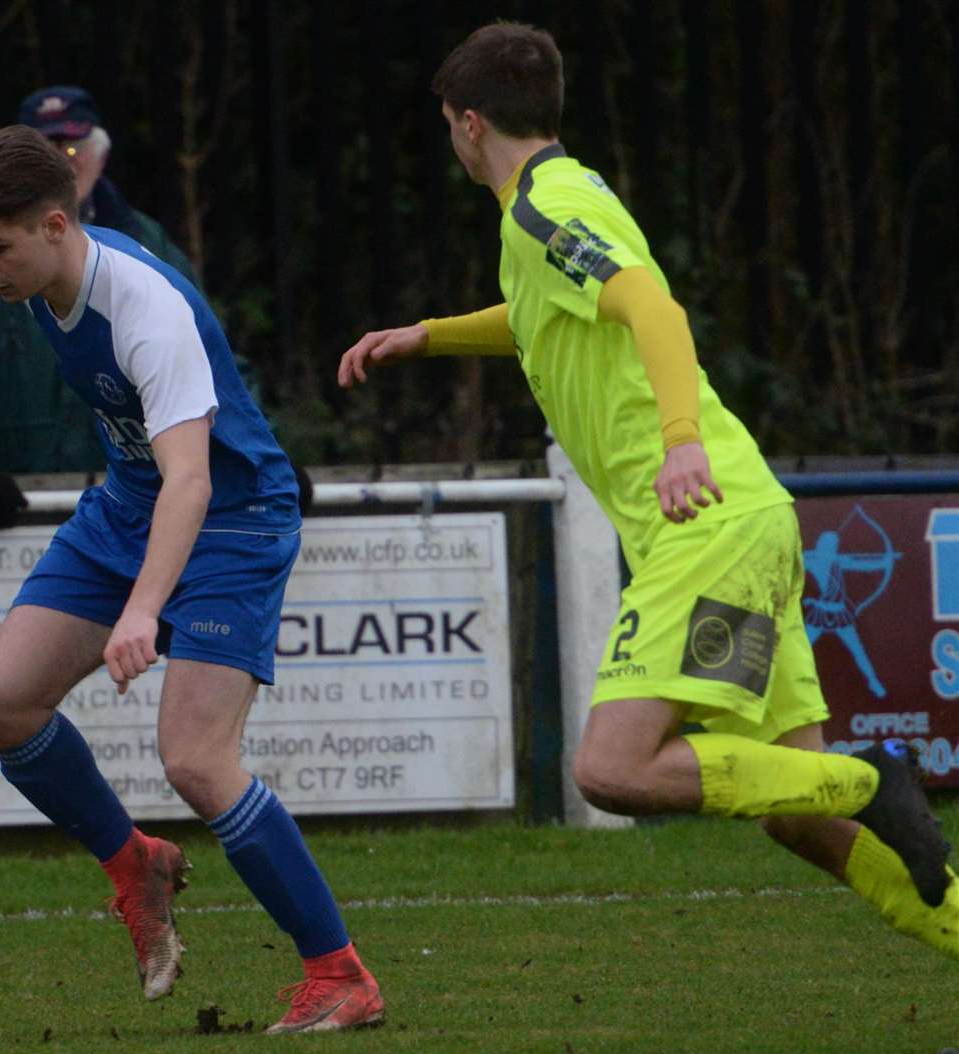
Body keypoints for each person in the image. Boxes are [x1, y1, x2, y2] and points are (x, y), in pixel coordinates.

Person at [340, 21, 958, 961]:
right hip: (749, 522)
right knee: (798, 816)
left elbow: (649, 304)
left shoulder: (542, 210)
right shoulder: (558, 201)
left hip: (705, 526)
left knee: (614, 770)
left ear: (469, 124)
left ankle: (867, 782)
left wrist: (679, 444)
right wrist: (430, 333)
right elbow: (548, 315)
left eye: (445, 124)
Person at [0, 124, 383, 1033]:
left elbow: (195, 477)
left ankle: (341, 976)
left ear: (58, 225)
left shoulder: (144, 308)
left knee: (194, 759)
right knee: (2, 699)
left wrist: (142, 610)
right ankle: (133, 864)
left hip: (232, 516)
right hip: (130, 506)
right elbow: (151, 467)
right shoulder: (39, 288)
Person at [0, 86, 290, 532]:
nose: (61, 161)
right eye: (43, 150)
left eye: (70, 146)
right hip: (10, 510)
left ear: (100, 154)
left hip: (139, 506)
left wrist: (264, 456)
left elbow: (212, 363)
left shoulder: (148, 245)